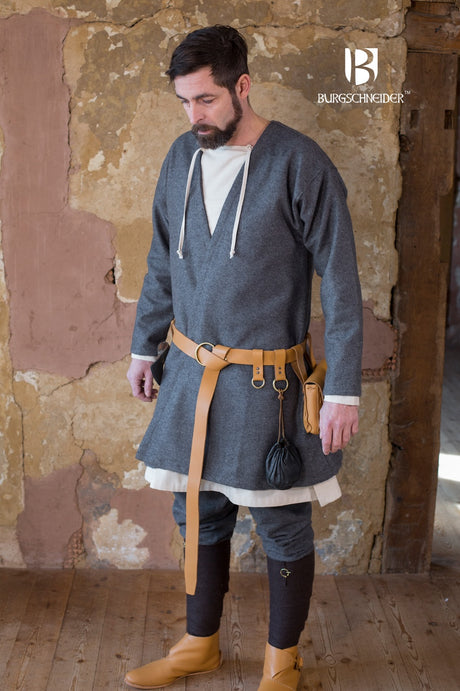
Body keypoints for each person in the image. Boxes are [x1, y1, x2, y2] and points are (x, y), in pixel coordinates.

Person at [125, 24, 362, 691]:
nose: (193, 116)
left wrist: (343, 390)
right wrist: (143, 346)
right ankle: (200, 643)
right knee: (196, 510)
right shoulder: (181, 157)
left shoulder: (300, 163)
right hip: (190, 373)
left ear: (243, 86)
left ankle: (282, 660)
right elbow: (161, 261)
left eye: (205, 99)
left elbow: (342, 282)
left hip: (267, 384)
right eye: (184, 102)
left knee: (281, 521)